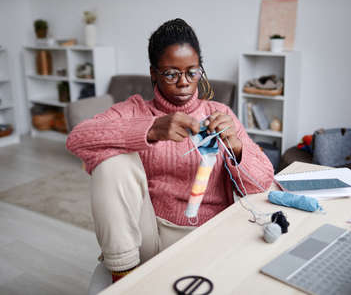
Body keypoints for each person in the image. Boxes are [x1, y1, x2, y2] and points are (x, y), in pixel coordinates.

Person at [66, 18, 274, 283]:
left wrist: (237, 147)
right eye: (171, 73)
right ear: (153, 73)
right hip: (149, 235)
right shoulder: (135, 110)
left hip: (210, 233)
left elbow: (263, 183)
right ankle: (123, 277)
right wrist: (151, 130)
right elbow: (77, 139)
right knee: (111, 161)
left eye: (192, 72)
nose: (184, 82)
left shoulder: (220, 114)